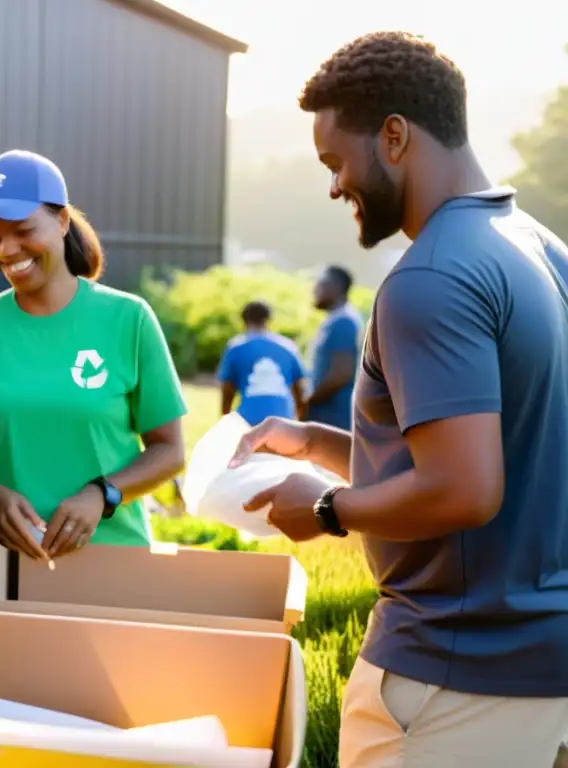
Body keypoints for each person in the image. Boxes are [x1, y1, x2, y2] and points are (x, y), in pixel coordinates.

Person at [229, 32, 568, 767]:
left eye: (335, 161)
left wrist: (325, 510)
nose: (332, 186)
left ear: (394, 136)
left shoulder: (430, 278)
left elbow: (466, 489)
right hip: (546, 672)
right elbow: (499, 459)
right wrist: (318, 443)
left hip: (455, 680)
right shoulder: (538, 246)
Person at [0, 149, 187, 563]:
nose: (7, 250)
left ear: (63, 221)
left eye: (22, 230)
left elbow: (169, 451)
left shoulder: (129, 319)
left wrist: (101, 493)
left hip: (112, 560)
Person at [216, 300, 305, 424]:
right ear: (268, 319)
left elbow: (227, 389)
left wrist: (225, 419)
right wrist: (300, 419)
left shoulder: (236, 347)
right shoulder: (288, 346)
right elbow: (299, 389)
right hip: (283, 419)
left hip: (249, 420)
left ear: (243, 321)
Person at [305, 265, 362, 429]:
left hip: (335, 419)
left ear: (337, 288)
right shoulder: (334, 320)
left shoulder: (344, 321)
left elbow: (342, 373)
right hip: (326, 418)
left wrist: (308, 402)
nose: (315, 289)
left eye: (320, 284)